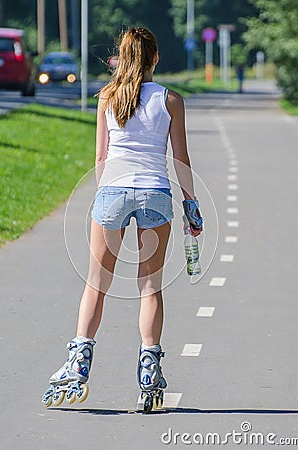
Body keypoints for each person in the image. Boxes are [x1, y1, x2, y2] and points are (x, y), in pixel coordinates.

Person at [42, 27, 203, 413]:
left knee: (96, 283)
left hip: (113, 193)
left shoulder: (107, 97)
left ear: (122, 57)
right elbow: (180, 159)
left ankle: (79, 362)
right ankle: (149, 370)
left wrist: (104, 199)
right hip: (155, 195)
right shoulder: (170, 100)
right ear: (156, 58)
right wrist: (191, 204)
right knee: (150, 286)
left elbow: (101, 159)